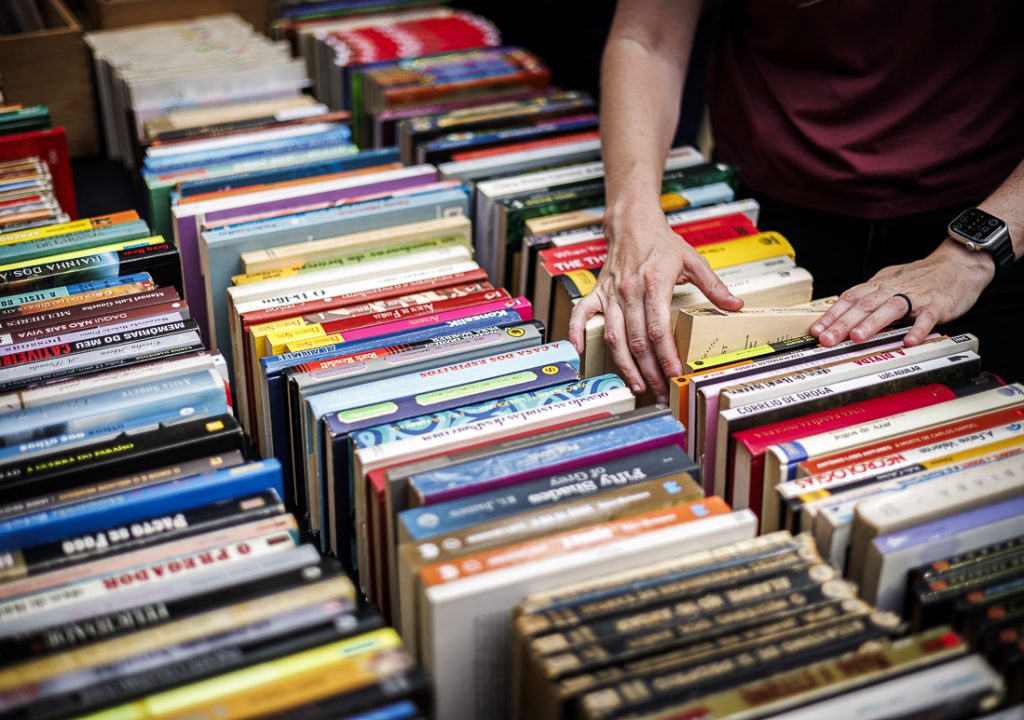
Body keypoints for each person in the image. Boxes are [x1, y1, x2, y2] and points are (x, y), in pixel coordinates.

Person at [568, 0, 1024, 404]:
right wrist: (633, 217)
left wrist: (970, 257)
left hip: (989, 217)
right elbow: (646, 38)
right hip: (769, 216)